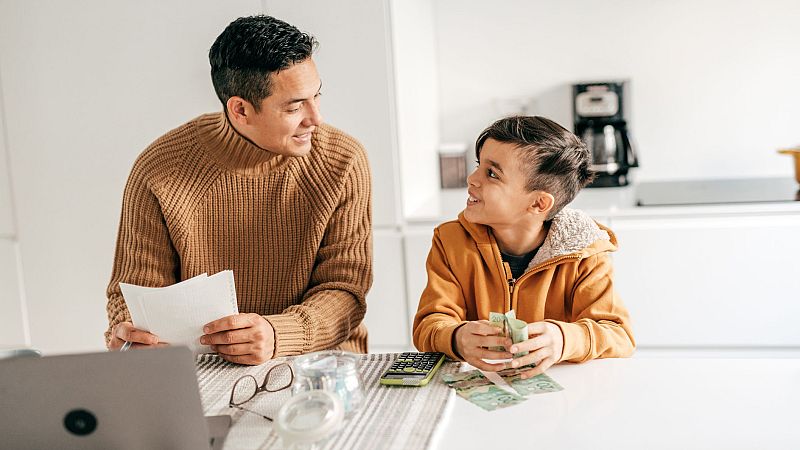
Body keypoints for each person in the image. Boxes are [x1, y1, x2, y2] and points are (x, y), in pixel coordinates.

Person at [105, 15, 372, 365]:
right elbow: (135, 293)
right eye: (294, 106)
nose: (315, 118)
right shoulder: (159, 168)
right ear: (241, 110)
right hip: (202, 369)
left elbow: (345, 291)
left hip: (321, 366)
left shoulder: (343, 161)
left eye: (316, 96)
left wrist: (279, 334)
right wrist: (130, 332)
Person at [413, 116, 634, 378]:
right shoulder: (450, 242)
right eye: (478, 165)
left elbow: (619, 334)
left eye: (492, 173)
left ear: (539, 204)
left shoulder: (585, 251)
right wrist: (456, 337)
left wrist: (564, 339)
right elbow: (427, 325)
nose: (472, 178)